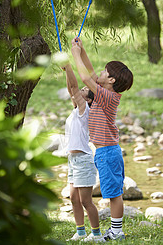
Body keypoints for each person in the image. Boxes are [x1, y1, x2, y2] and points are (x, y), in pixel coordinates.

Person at [71, 37, 133, 241]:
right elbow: (90, 74)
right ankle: (115, 231)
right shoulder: (105, 93)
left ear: (112, 80)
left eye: (106, 71)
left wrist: (74, 55)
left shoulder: (108, 97)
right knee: (112, 191)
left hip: (108, 152)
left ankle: (116, 232)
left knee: (114, 194)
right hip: (105, 152)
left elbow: (86, 78)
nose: (101, 73)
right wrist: (83, 50)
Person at [62, 63, 104, 242]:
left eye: (85, 90)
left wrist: (69, 66)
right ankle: (80, 232)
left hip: (83, 161)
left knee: (86, 201)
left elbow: (73, 88)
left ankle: (96, 235)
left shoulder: (84, 111)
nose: (81, 89)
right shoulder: (77, 109)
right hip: (73, 159)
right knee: (73, 199)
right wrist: (66, 72)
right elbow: (70, 88)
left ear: (88, 100)